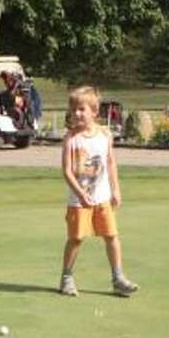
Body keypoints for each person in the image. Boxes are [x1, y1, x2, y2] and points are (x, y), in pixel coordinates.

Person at [59, 87, 138, 298]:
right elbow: (66, 170)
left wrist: (116, 189)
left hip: (102, 197)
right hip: (79, 200)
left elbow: (111, 162)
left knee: (112, 236)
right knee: (76, 238)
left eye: (81, 109)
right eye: (74, 109)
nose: (76, 113)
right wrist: (80, 193)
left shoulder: (105, 135)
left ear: (94, 111)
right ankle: (67, 277)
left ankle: (118, 278)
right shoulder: (71, 138)